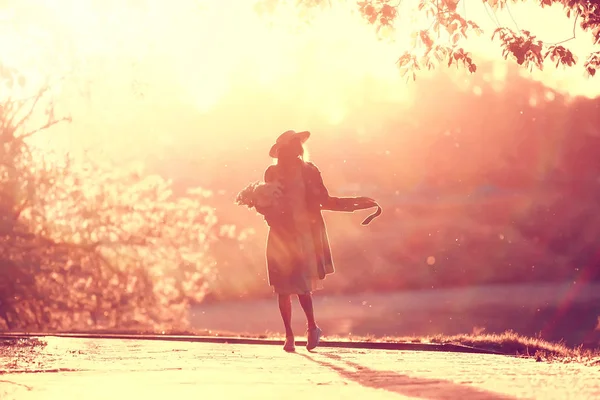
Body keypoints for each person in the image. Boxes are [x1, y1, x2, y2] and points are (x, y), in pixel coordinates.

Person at [254, 130, 379, 352]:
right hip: (280, 235)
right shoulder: (272, 173)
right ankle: (289, 336)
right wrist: (259, 205)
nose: (293, 153)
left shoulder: (309, 172)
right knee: (283, 288)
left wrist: (356, 203)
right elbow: (267, 201)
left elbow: (323, 199)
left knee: (301, 286)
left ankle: (311, 328)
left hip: (303, 235)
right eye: (289, 149)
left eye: (293, 149)